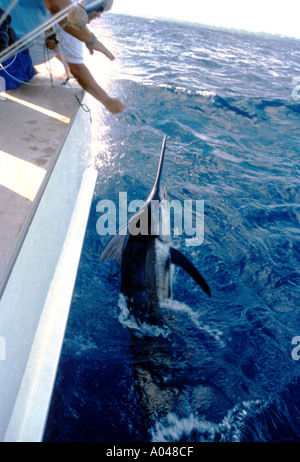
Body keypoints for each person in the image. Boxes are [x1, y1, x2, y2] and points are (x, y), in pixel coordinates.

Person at [1, 0, 126, 114]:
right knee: (12, 76)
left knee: (26, 71)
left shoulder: (66, 11)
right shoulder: (70, 18)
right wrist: (107, 101)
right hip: (11, 51)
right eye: (99, 9)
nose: (99, 15)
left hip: (14, 44)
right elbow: (77, 70)